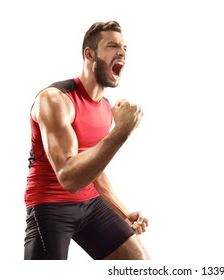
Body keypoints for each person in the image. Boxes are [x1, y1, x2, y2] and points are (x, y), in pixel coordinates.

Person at [23, 20, 150, 260]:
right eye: (113, 46)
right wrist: (121, 132)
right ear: (89, 54)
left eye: (125, 48)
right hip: (50, 206)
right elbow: (69, 177)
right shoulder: (55, 99)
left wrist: (122, 212)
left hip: (91, 205)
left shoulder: (104, 107)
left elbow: (94, 169)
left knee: (141, 264)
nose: (122, 52)